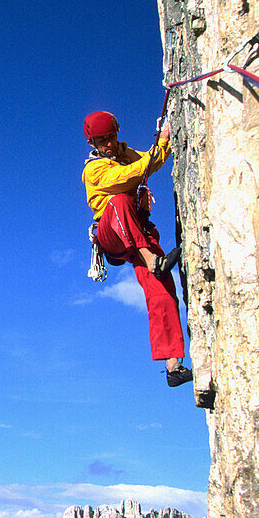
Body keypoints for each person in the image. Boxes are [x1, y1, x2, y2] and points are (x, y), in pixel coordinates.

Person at [81, 110, 193, 387]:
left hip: (137, 231)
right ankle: (151, 259)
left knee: (163, 290)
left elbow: (150, 161)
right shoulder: (93, 170)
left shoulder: (127, 154)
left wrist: (164, 139)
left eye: (110, 137)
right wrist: (153, 154)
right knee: (119, 201)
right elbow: (127, 177)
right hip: (113, 234)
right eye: (101, 140)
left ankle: (173, 366)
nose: (107, 143)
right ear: (92, 143)